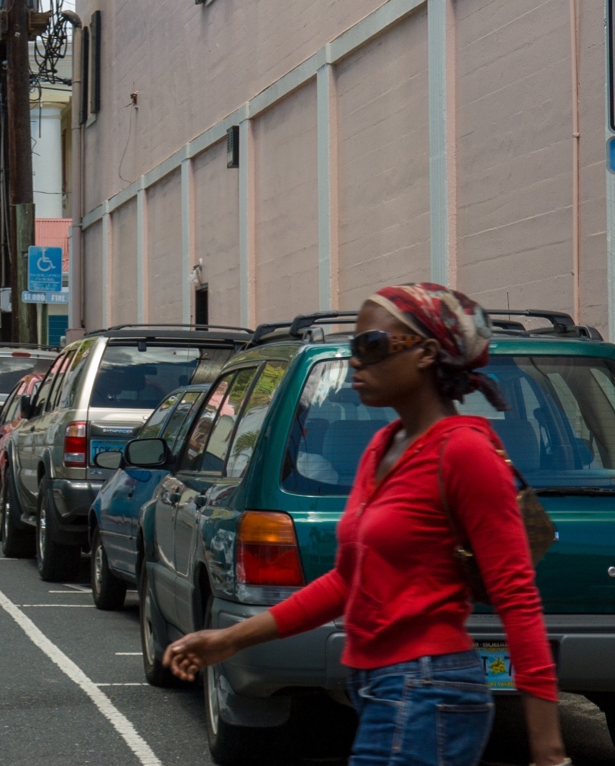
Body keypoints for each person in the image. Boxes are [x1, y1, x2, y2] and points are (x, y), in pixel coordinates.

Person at [162, 283, 567, 766]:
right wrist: (228, 639)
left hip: (428, 691)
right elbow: (349, 581)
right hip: (382, 689)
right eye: (354, 347)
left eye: (370, 346)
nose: (355, 361)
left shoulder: (464, 452)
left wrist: (549, 752)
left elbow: (517, 600)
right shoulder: (382, 448)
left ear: (426, 353)